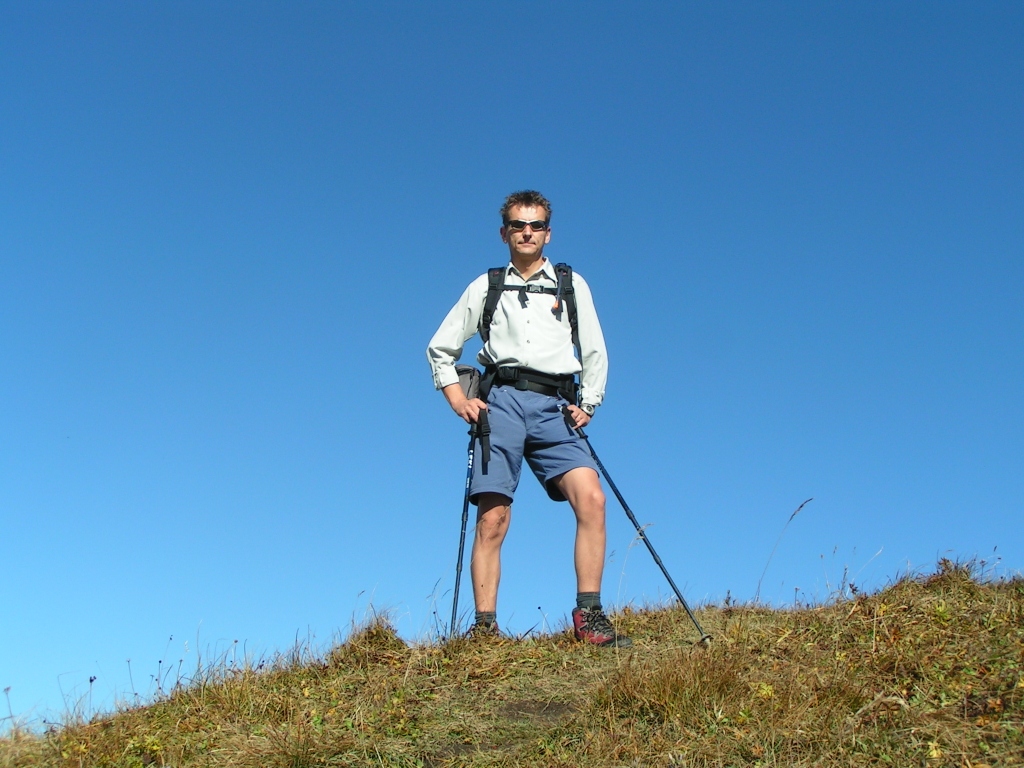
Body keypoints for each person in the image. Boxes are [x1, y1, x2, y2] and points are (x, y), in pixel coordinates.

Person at [426, 190, 631, 647]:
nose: (527, 232)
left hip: (555, 404)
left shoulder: (570, 284)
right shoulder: (488, 285)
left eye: (535, 225)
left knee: (592, 499)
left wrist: (589, 402)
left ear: (547, 233)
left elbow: (594, 348)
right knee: (493, 517)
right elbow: (440, 347)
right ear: (504, 233)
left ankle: (590, 616)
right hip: (501, 402)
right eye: (518, 225)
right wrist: (458, 399)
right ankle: (485, 629)